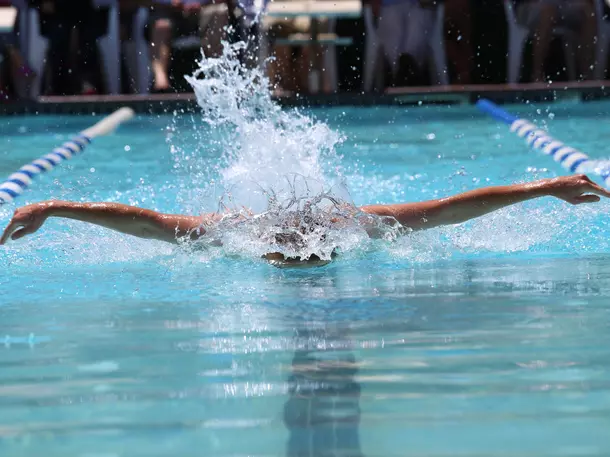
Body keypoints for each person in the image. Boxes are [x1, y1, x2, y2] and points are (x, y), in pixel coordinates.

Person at [1, 175, 609, 266]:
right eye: (289, 244)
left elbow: (454, 210)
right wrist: (52, 206)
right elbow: (148, 222)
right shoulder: (234, 233)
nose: (300, 254)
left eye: (306, 243)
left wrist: (547, 187)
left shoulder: (357, 226)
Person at [515, 0, 596, 83]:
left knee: (588, 12)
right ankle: (537, 77)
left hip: (563, 5)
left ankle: (586, 78)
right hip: (531, 5)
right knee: (548, 12)